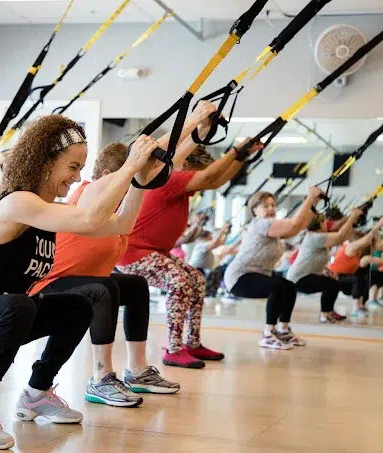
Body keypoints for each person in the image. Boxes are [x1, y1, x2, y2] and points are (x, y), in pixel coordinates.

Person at [0, 115, 156, 450]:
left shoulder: (48, 211)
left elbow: (121, 224)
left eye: (81, 169)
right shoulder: (17, 203)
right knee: (19, 304)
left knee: (77, 306)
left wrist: (139, 180)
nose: (77, 177)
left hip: (5, 314)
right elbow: (90, 217)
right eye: (72, 167)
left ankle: (36, 394)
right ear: (45, 162)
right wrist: (129, 165)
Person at [28, 137, 193, 408]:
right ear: (108, 175)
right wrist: (140, 156)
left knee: (135, 285)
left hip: (81, 281)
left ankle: (138, 371)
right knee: (105, 289)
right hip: (50, 284)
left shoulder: (116, 213)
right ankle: (101, 377)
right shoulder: (89, 192)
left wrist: (196, 129)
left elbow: (160, 166)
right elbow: (136, 165)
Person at [116, 122, 265, 368]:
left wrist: (242, 156)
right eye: (196, 173)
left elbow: (215, 181)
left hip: (152, 252)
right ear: (184, 165)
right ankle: (173, 349)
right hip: (133, 253)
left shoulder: (179, 187)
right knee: (179, 281)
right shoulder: (169, 179)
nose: (198, 180)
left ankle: (192, 343)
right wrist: (236, 151)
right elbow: (209, 177)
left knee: (196, 279)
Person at [224, 188, 323, 350]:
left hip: (258, 275)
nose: (271, 209)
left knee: (289, 286)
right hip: (240, 277)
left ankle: (283, 329)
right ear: (254, 210)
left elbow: (299, 226)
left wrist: (314, 201)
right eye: (265, 206)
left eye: (273, 205)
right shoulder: (260, 224)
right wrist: (310, 197)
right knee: (277, 287)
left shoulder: (274, 230)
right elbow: (294, 223)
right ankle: (268, 334)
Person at [286, 209, 363, 323]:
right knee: (332, 284)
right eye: (324, 222)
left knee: (333, 283)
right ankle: (325, 314)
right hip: (298, 278)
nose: (326, 223)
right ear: (318, 224)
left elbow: (343, 238)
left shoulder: (318, 237)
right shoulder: (314, 237)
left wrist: (353, 222)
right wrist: (352, 217)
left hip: (305, 275)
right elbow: (339, 237)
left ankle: (328, 312)